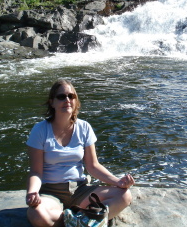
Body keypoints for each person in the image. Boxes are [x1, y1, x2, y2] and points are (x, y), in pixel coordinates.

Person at [26, 79, 135, 227]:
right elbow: (36, 172)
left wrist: (118, 182)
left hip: (80, 190)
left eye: (71, 96)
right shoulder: (40, 130)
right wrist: (32, 192)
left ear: (76, 101)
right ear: (52, 102)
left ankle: (71, 220)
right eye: (61, 96)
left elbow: (93, 166)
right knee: (36, 214)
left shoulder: (84, 128)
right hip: (51, 193)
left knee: (124, 196)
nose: (67, 100)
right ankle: (87, 219)